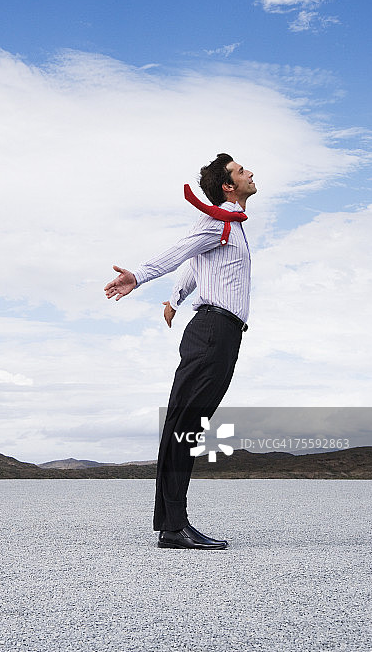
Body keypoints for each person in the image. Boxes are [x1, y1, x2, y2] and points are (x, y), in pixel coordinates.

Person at [104, 153, 256, 550]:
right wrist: (139, 276)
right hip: (211, 332)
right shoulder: (216, 221)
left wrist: (174, 299)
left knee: (189, 426)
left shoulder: (230, 226)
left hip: (223, 333)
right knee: (184, 426)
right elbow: (180, 250)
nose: (250, 173)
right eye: (241, 171)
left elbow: (193, 264)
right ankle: (173, 526)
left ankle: (172, 523)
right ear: (228, 186)